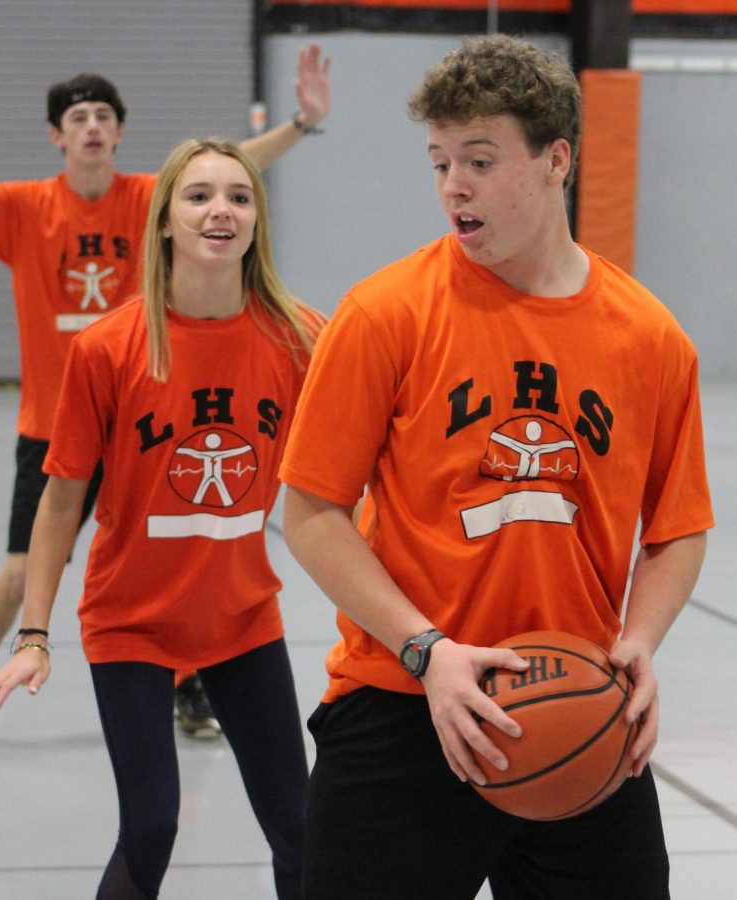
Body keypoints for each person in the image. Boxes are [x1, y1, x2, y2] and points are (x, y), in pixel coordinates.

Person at [279, 34, 713, 900]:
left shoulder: (649, 337)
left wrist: (636, 643)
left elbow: (678, 530)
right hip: (407, 704)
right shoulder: (385, 314)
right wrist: (425, 650)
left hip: (577, 706)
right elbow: (310, 513)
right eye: (440, 161)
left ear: (557, 160)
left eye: (478, 160)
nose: (453, 186)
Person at [0, 42, 330, 746]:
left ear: (117, 131)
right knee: (23, 572)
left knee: (175, 550)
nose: (90, 127)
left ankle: (186, 682)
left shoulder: (150, 198)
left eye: (103, 116)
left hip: (149, 421)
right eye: (77, 117)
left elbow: (240, 169)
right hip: (55, 426)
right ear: (57, 134)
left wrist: (301, 122)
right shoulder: (25, 208)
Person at [0, 136, 323, 899]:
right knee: (154, 824)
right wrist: (34, 635)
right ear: (164, 221)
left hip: (241, 617)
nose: (220, 210)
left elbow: (339, 489)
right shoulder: (110, 348)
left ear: (257, 219)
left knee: (300, 826)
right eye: (198, 196)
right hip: (131, 619)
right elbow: (61, 498)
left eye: (238, 195)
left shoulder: (300, 339)